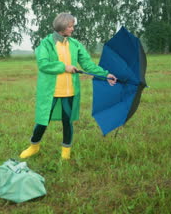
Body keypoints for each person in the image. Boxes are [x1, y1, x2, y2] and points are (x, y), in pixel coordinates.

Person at [20, 13, 117, 160]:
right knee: (42, 121)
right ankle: (34, 146)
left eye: (73, 26)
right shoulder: (46, 44)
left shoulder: (75, 44)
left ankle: (66, 151)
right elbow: (43, 64)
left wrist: (106, 74)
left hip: (69, 92)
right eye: (70, 26)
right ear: (62, 27)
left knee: (67, 122)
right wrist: (64, 67)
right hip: (50, 92)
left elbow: (87, 64)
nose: (73, 29)